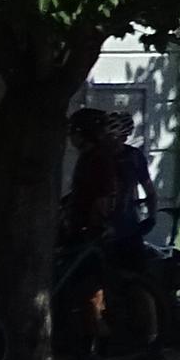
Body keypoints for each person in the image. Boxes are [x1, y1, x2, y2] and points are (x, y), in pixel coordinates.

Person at [62, 106, 156, 260]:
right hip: (108, 228)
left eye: (115, 137)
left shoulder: (130, 158)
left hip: (122, 227)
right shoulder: (95, 157)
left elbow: (148, 190)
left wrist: (151, 217)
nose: (110, 142)